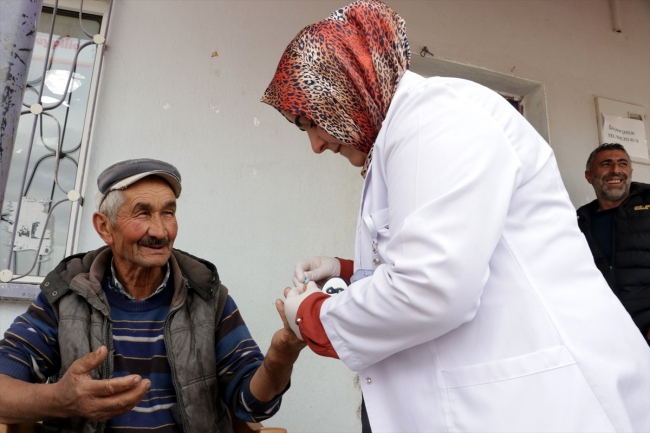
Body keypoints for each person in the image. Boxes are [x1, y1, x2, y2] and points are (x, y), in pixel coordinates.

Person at [260, 1, 649, 432]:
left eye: (311, 122)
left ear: (345, 89)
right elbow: (447, 256)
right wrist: (350, 272)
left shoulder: (438, 117)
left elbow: (431, 288)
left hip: (537, 401)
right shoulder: (402, 135)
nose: (315, 144)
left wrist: (311, 315)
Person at [0, 158, 305, 432]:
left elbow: (253, 406)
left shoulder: (207, 296)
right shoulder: (66, 295)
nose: (160, 231)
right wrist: (61, 400)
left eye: (168, 213)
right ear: (105, 227)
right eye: (142, 213)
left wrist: (281, 356)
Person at [577, 142, 650, 345]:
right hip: (610, 337)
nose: (616, 170)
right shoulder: (579, 221)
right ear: (589, 176)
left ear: (631, 172)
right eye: (606, 164)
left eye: (622, 164)